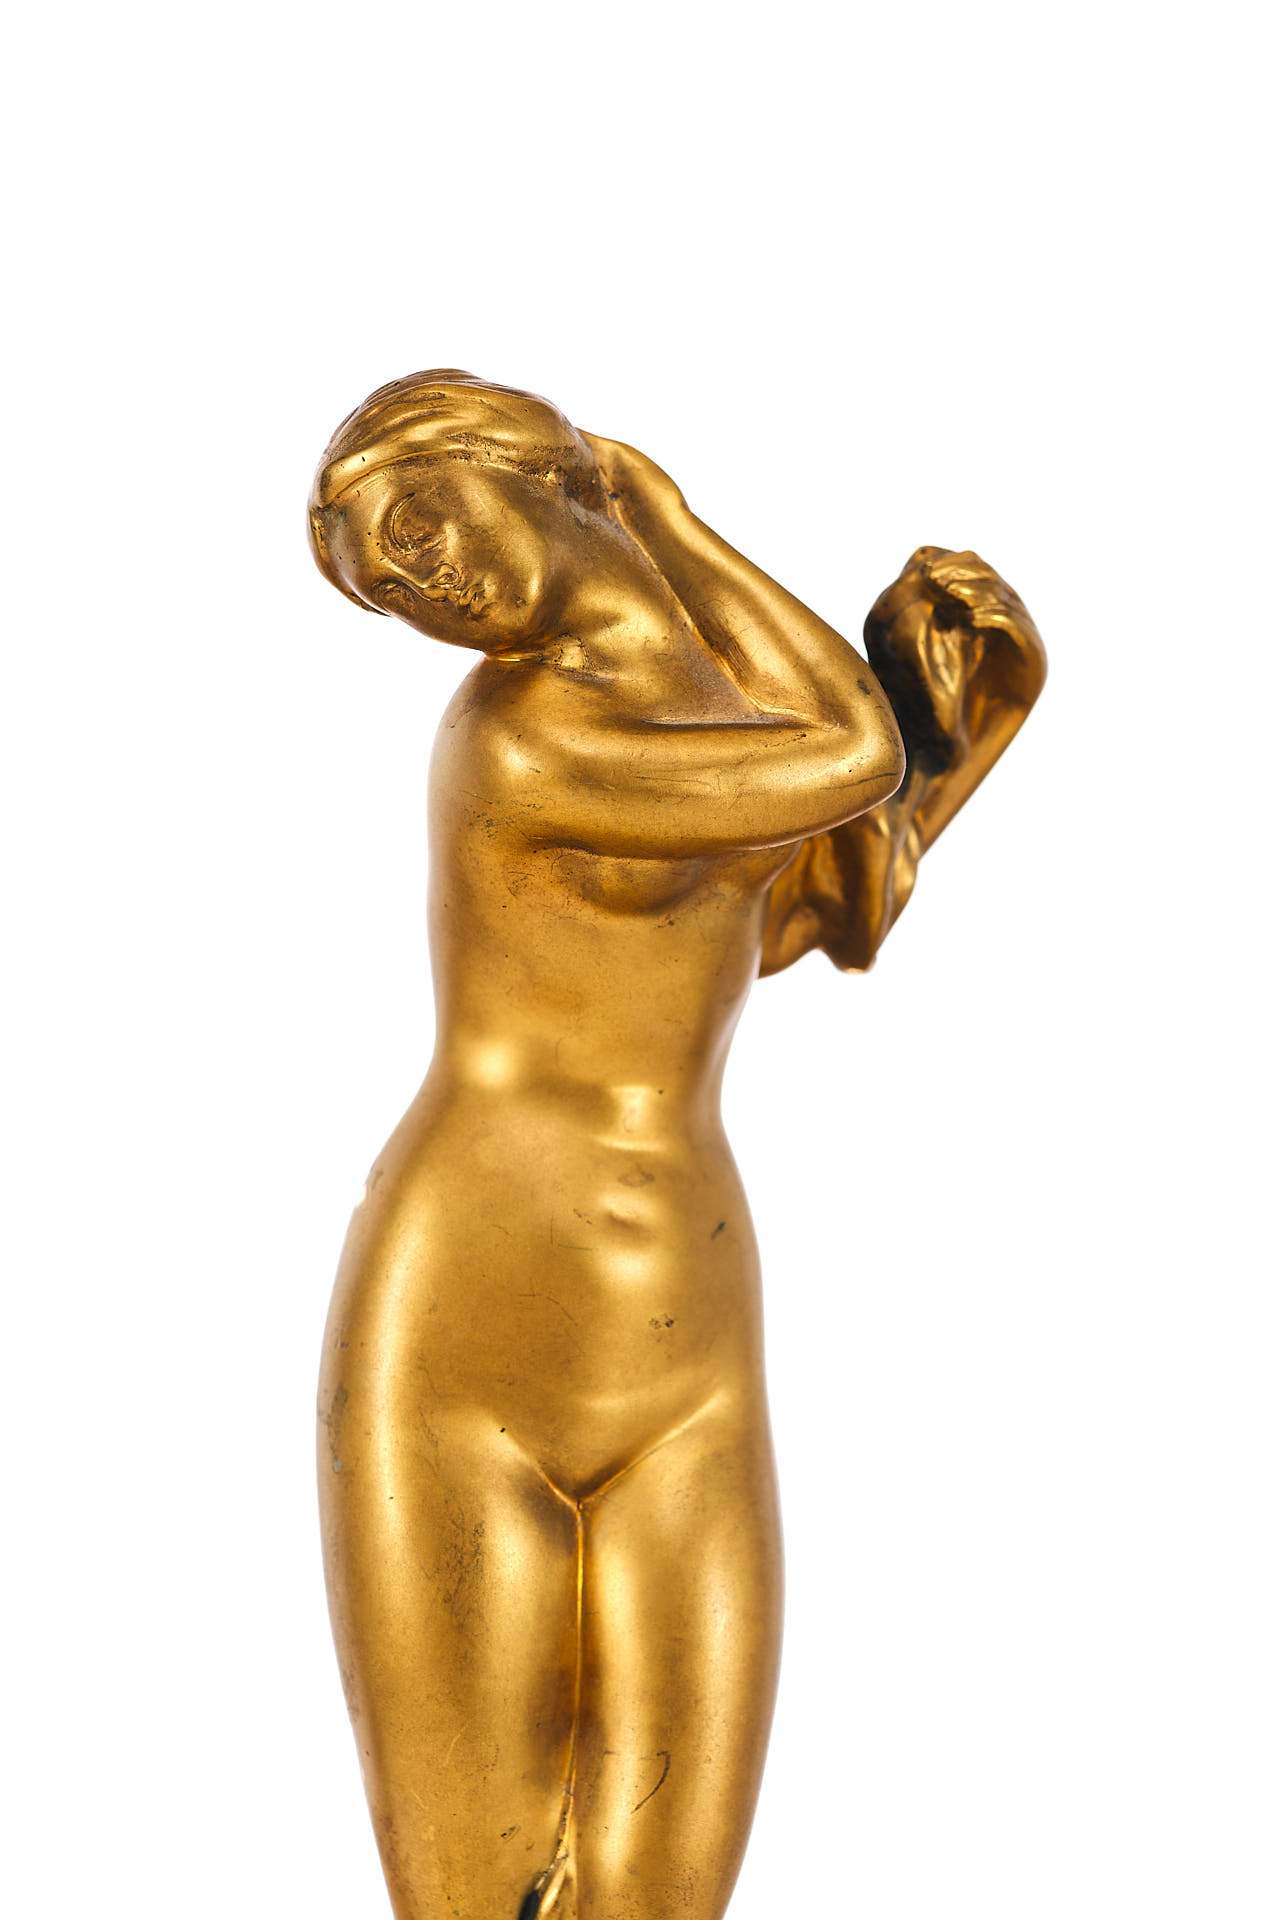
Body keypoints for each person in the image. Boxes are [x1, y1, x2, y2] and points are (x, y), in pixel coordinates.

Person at [308, 368, 905, 1920]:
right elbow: (849, 755)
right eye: (388, 587)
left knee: (664, 1893)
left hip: (684, 1338)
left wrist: (961, 723)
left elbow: (792, 907)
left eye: (419, 523)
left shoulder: (686, 718)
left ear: (526, 465)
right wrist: (672, 522)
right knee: (483, 1897)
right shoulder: (515, 745)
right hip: (472, 1333)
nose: (421, 583)